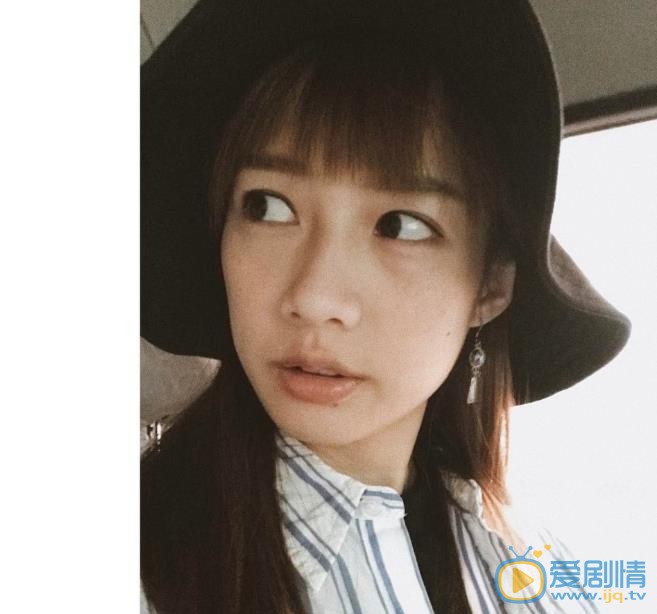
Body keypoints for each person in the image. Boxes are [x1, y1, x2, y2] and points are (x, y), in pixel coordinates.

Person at [140, 1, 630, 612]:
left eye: (400, 225)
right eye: (268, 207)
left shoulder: (544, 569)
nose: (314, 298)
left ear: (489, 288)